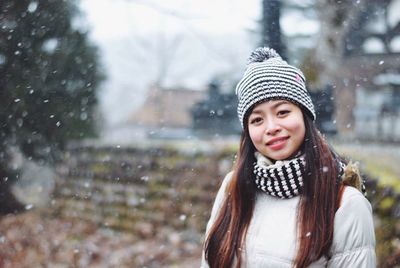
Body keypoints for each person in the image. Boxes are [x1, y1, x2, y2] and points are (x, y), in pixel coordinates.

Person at [201, 47, 376, 268]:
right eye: (257, 120)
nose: (271, 127)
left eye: (282, 112)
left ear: (304, 115)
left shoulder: (344, 203)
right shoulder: (233, 187)